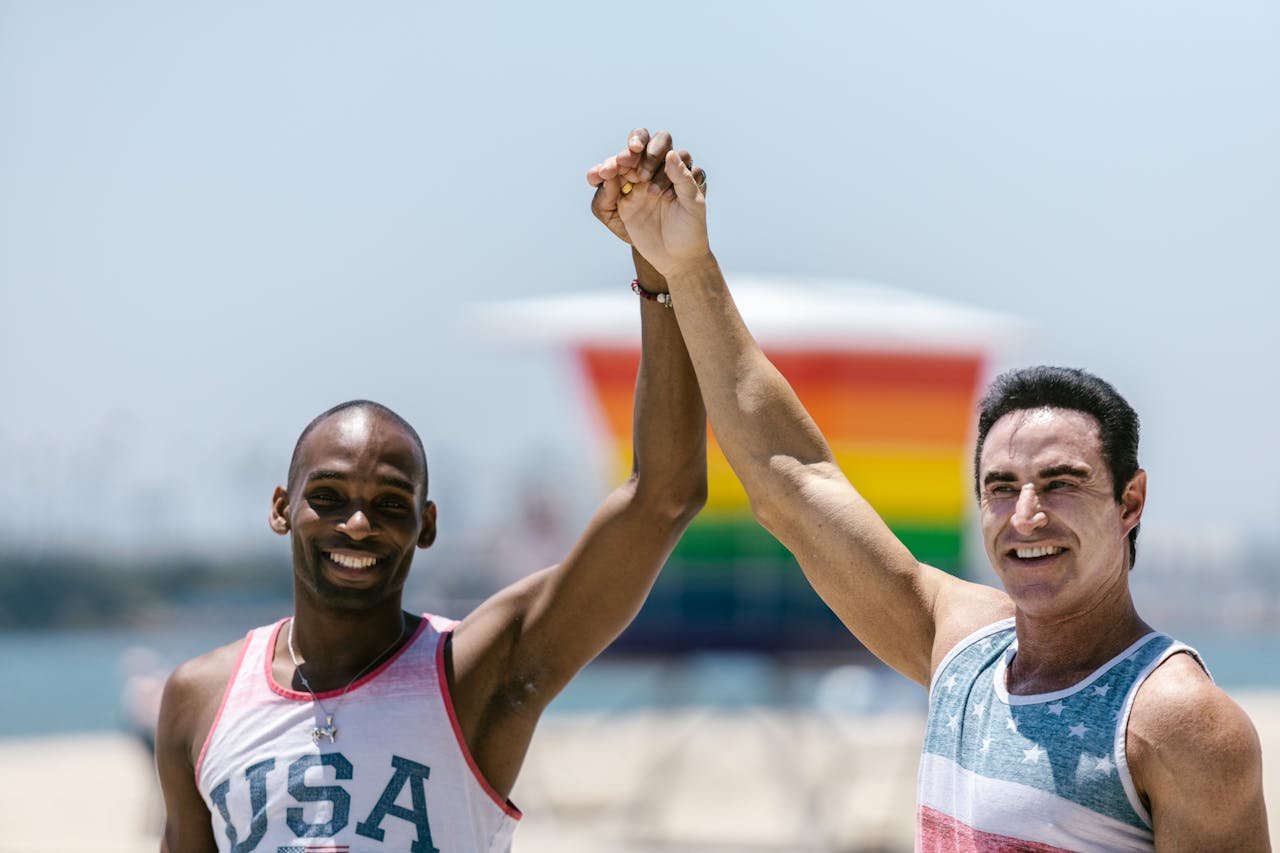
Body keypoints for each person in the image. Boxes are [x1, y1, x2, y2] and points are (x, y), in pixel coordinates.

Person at [588, 128, 1270, 850]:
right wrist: (685, 266)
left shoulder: (1176, 720)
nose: (1026, 514)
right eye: (1001, 486)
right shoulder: (963, 651)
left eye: (1060, 483)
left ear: (1129, 501)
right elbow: (791, 481)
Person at [154, 136, 708, 853]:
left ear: (426, 524)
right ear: (281, 506)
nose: (357, 523)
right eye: (328, 496)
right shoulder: (200, 699)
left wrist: (662, 272)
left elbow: (664, 497)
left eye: (390, 505)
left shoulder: (474, 673)